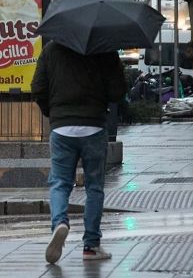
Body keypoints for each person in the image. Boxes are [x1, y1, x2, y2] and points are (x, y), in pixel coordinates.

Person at [32, 41, 127, 264]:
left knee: (59, 183)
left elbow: (38, 87)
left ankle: (60, 223)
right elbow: (118, 91)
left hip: (62, 128)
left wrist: (54, 113)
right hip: (94, 126)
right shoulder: (105, 49)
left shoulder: (51, 51)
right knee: (94, 187)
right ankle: (91, 245)